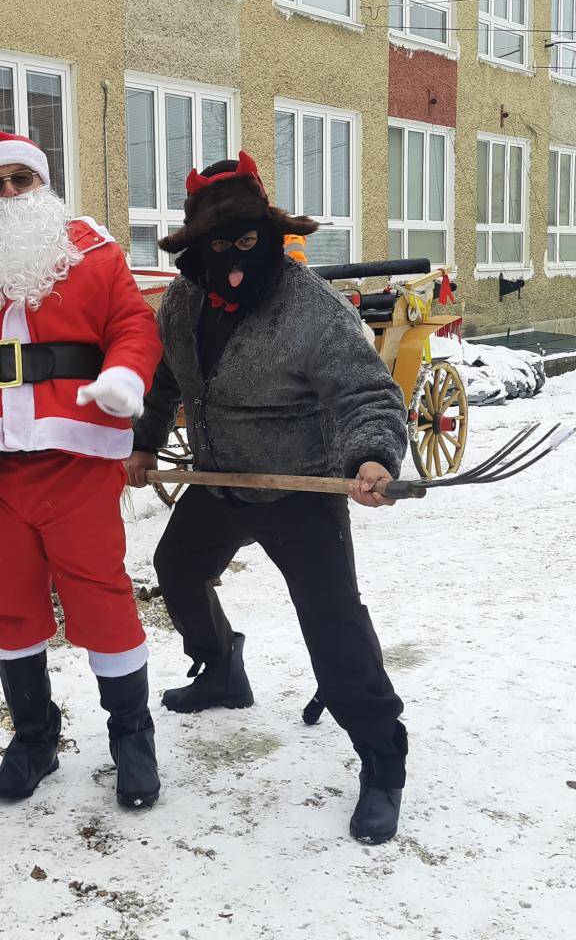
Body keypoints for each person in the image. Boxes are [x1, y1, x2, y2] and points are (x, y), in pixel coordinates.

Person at [126, 153, 410, 844]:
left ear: (272, 236)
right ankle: (222, 668)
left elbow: (366, 392)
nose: (233, 262)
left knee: (332, 622)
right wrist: (144, 443)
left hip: (300, 488)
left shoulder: (312, 309)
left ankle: (382, 758)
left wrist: (372, 456)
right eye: (217, 247)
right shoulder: (184, 302)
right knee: (178, 568)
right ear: (196, 249)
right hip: (220, 479)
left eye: (249, 242)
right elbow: (164, 379)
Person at [0, 130, 164, 809]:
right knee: (11, 606)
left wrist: (124, 375)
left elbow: (134, 325)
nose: (11, 192)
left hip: (77, 462)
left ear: (45, 184)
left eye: (23, 179)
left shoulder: (95, 253)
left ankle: (132, 736)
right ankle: (33, 737)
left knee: (102, 600)